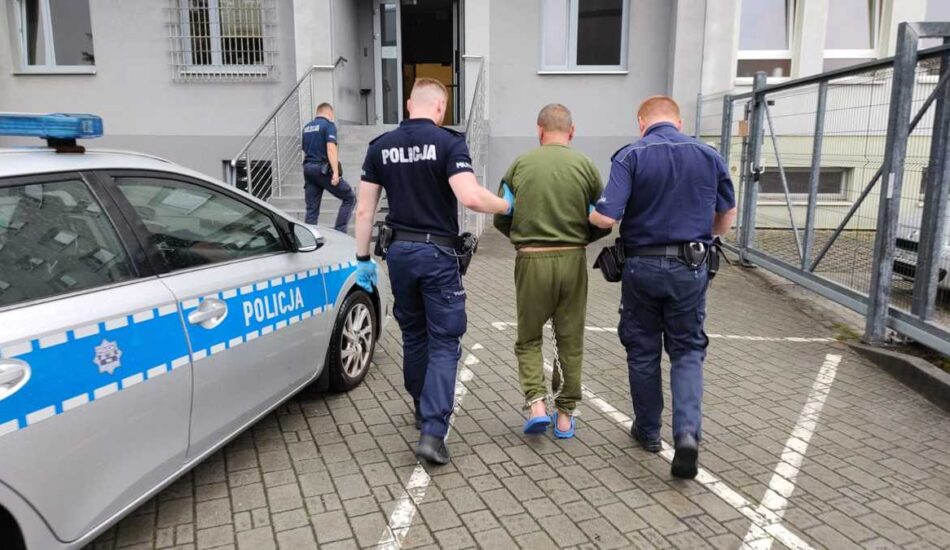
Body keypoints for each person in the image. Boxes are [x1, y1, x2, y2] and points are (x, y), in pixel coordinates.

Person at [353, 78, 513, 465]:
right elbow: (470, 197)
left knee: (414, 335)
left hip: (399, 253)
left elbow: (364, 210)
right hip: (437, 254)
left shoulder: (381, 146)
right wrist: (506, 206)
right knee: (444, 340)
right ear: (441, 108)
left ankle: (420, 407)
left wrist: (362, 260)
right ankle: (433, 432)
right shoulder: (448, 143)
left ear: (410, 104)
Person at [589, 96, 737, 479]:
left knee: (642, 349)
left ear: (642, 122)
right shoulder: (709, 155)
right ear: (679, 121)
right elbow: (726, 216)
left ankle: (648, 431)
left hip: (641, 266)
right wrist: (704, 235)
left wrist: (589, 214)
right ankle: (686, 434)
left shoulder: (631, 155)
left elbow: (605, 217)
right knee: (687, 351)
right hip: (691, 266)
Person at [493, 104, 609, 439]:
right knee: (569, 338)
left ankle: (537, 405)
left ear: (539, 130)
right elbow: (603, 218)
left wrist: (523, 238)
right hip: (573, 260)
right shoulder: (586, 166)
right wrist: (582, 239)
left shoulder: (520, 164)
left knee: (529, 337)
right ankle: (565, 417)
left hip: (532, 260)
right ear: (572, 131)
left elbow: (501, 216)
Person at [302, 103, 356, 233]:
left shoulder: (307, 128)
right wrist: (336, 172)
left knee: (312, 210)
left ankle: (309, 239)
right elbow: (331, 148)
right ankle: (340, 232)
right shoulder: (328, 126)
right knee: (349, 197)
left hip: (308, 169)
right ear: (329, 113)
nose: (332, 117)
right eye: (332, 115)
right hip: (321, 169)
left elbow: (305, 148)